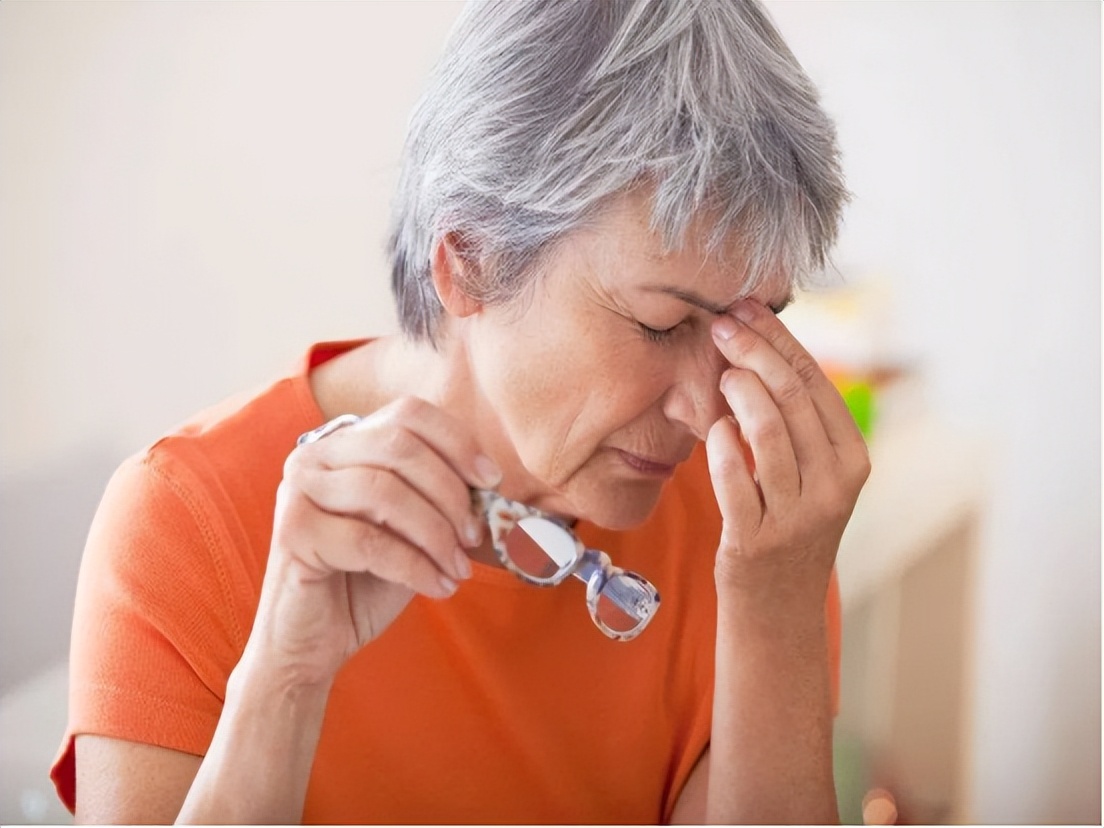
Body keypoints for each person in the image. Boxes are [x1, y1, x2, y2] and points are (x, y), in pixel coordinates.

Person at [52, 0, 869, 823]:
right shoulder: (186, 523)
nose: (703, 412)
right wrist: (286, 681)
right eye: (660, 325)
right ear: (469, 262)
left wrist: (777, 613)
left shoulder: (758, 537)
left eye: (753, 327)